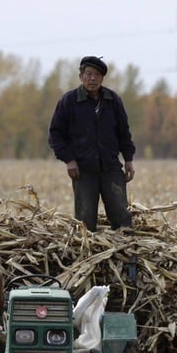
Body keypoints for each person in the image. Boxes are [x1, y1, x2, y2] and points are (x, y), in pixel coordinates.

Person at [48, 55, 136, 231]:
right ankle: (87, 248)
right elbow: (55, 135)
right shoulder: (69, 101)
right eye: (88, 74)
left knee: (121, 216)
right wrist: (69, 160)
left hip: (111, 168)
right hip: (83, 171)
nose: (92, 78)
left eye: (97, 75)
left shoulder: (113, 100)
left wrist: (128, 159)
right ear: (81, 76)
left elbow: (123, 133)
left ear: (102, 78)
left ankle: (127, 249)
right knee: (85, 221)